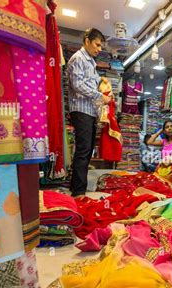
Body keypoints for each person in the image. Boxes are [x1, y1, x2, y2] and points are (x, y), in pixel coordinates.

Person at [67, 28, 111, 198]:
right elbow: (78, 85)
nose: (99, 49)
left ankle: (77, 187)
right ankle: (78, 191)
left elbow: (88, 82)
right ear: (87, 40)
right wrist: (100, 96)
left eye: (101, 46)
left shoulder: (90, 62)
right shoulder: (78, 58)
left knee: (87, 149)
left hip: (89, 111)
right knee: (83, 150)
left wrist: (101, 79)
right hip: (81, 110)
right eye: (97, 44)